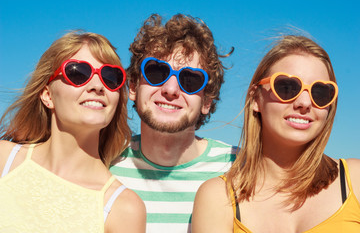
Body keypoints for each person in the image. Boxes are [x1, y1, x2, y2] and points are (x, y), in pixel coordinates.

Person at [192, 35, 360, 233]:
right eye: (287, 88)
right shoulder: (218, 198)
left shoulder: (355, 179)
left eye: (320, 93)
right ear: (256, 98)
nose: (305, 103)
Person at [0, 31, 146, 232]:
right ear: (47, 95)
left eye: (110, 77)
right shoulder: (5, 160)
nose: (97, 86)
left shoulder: (123, 208)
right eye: (78, 72)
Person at [110, 13, 237, 233]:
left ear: (206, 101)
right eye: (156, 72)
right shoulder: (104, 164)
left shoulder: (239, 169)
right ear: (132, 87)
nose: (170, 89)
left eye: (190, 80)